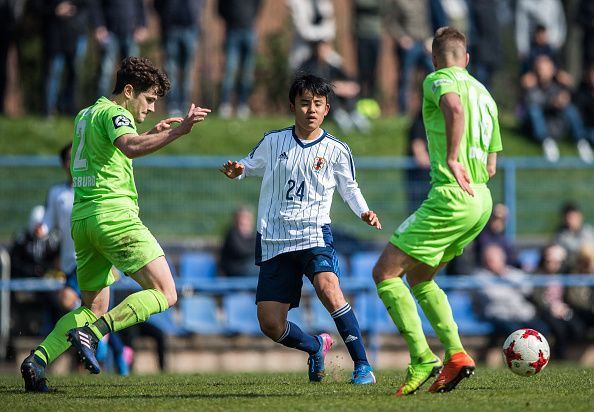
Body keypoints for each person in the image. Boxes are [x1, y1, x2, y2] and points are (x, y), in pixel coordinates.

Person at [20, 56, 211, 392]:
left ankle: (36, 360)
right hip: (114, 217)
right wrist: (179, 132)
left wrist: (150, 134)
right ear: (128, 91)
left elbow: (112, 151)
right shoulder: (115, 113)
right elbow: (129, 145)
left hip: (83, 220)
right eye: (149, 99)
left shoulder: (86, 114)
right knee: (166, 292)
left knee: (92, 305)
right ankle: (92, 335)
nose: (151, 108)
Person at [220, 74, 381, 384]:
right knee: (270, 323)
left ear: (326, 109)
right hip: (275, 239)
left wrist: (364, 211)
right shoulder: (273, 141)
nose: (311, 109)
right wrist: (237, 171)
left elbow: (349, 187)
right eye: (305, 103)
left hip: (314, 234)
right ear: (292, 105)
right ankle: (316, 345)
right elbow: (248, 165)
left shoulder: (336, 149)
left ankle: (363, 366)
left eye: (317, 104)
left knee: (328, 288)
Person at [371, 27, 503, 396]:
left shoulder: (437, 79)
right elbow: (492, 165)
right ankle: (457, 355)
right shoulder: (486, 93)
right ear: (467, 59)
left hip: (451, 195)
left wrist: (450, 156)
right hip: (481, 199)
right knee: (421, 279)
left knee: (384, 272)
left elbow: (454, 107)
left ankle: (422, 358)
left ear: (434, 59)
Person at [44, 143, 132, 376]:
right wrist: (38, 228)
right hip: (70, 262)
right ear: (64, 164)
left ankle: (115, 356)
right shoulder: (58, 194)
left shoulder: (95, 185)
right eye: (70, 159)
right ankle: (103, 346)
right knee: (85, 309)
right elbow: (47, 223)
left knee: (97, 312)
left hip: (98, 257)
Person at [521, 54, 592, 163]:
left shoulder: (558, 85)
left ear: (552, 70)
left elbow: (576, 99)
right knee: (534, 110)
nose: (543, 72)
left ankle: (581, 142)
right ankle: (546, 142)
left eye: (546, 68)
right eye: (541, 69)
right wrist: (551, 103)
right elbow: (531, 102)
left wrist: (567, 91)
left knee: (570, 109)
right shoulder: (531, 85)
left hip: (557, 124)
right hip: (537, 126)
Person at [154, 0, 204, 117]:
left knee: (188, 71)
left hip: (191, 28)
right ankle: (172, 105)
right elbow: (157, 5)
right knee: (170, 70)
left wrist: (196, 17)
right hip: (171, 29)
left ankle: (185, 105)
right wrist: (166, 18)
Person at [90, 0, 148, 98]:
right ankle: (101, 106)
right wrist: (99, 26)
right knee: (105, 72)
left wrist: (142, 25)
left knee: (133, 73)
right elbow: (96, 6)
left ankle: (130, 105)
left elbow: (140, 6)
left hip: (131, 33)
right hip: (109, 34)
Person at [41, 0, 89, 117]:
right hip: (55, 37)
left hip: (76, 34)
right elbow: (37, 7)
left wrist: (73, 11)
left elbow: (88, 6)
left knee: (74, 75)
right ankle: (48, 111)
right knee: (53, 75)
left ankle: (68, 109)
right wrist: (55, 10)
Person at [217, 0, 262, 119]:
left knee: (247, 72)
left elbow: (258, 6)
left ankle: (243, 105)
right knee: (230, 70)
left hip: (249, 31)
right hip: (232, 31)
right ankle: (225, 105)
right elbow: (220, 9)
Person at [219, 206, 258, 277]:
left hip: (246, 268)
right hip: (233, 270)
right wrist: (257, 249)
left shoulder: (252, 235)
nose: (246, 223)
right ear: (236, 221)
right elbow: (242, 251)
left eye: (248, 220)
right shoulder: (232, 234)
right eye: (243, 220)